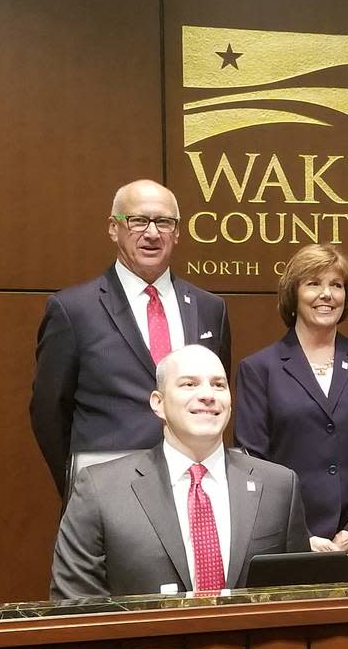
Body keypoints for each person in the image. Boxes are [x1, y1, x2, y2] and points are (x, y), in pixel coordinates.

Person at [50, 345, 308, 600]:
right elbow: (75, 608)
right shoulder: (100, 490)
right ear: (158, 403)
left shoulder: (279, 486)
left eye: (219, 385)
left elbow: (301, 598)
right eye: (189, 384)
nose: (208, 395)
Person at [30, 179, 231, 497]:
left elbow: (214, 398)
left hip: (192, 492)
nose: (152, 233)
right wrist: (81, 486)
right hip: (108, 493)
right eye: (138, 220)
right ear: (114, 228)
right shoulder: (73, 310)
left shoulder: (210, 309)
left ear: (177, 232)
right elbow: (48, 413)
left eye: (163, 222)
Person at [234, 245, 348, 552]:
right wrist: (300, 534)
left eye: (336, 285)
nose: (326, 294)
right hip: (286, 541)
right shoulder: (259, 369)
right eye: (313, 283)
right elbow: (253, 466)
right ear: (293, 294)